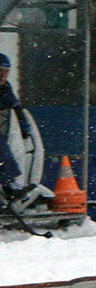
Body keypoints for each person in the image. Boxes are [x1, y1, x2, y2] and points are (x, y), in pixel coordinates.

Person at [0, 54, 53, 214]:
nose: (2, 75)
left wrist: (24, 127)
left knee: (14, 148)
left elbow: (16, 109)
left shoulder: (5, 90)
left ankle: (13, 186)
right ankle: (11, 184)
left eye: (6, 71)